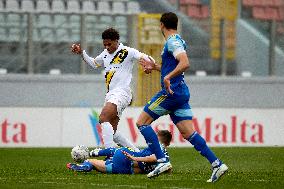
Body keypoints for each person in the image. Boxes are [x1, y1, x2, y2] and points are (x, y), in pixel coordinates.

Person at [137, 12, 228, 182]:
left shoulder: (172, 41)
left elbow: (185, 63)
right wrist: (156, 67)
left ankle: (162, 161)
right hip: (180, 93)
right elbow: (172, 64)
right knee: (188, 133)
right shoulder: (177, 40)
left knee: (141, 122)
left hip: (172, 93)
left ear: (161, 25)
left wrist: (167, 77)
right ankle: (217, 164)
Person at [71, 28, 153, 152]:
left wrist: (149, 64)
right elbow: (94, 63)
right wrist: (82, 53)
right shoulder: (104, 54)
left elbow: (146, 57)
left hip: (122, 92)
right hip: (111, 94)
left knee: (103, 118)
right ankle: (138, 154)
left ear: (116, 41)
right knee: (112, 133)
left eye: (109, 44)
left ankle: (109, 153)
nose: (107, 47)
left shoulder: (127, 51)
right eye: (105, 44)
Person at [66, 130, 172, 175]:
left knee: (115, 150)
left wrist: (136, 159)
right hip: (126, 169)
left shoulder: (159, 147)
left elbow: (155, 157)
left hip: (126, 158)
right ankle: (87, 164)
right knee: (97, 163)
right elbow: (167, 167)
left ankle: (92, 154)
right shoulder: (165, 157)